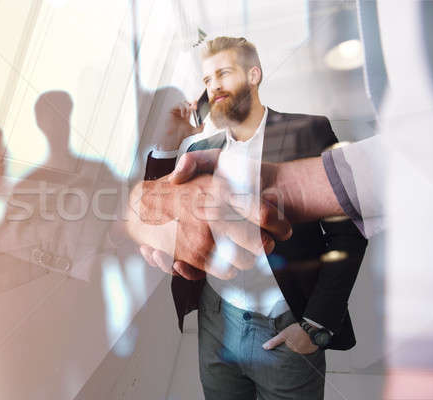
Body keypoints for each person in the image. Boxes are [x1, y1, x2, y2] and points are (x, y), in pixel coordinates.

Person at [126, 36, 368, 399]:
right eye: (207, 80)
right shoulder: (200, 150)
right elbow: (157, 213)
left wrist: (315, 326)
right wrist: (169, 143)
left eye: (223, 73)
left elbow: (348, 234)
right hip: (216, 324)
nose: (214, 86)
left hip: (285, 330)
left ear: (254, 75)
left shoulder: (308, 131)